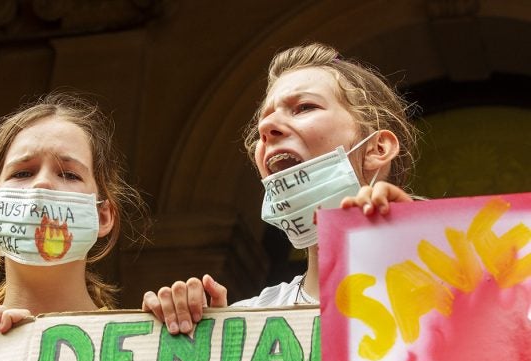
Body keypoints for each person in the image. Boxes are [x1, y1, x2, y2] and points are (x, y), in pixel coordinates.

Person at [142, 42, 420, 334]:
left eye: (303, 108)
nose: (267, 128)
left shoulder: (459, 287)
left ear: (377, 148)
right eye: (264, 120)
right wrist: (201, 336)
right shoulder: (248, 323)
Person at [0, 92, 147, 345]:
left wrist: (201, 324)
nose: (42, 184)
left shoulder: (142, 345)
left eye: (69, 175)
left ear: (103, 215)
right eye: (23, 172)